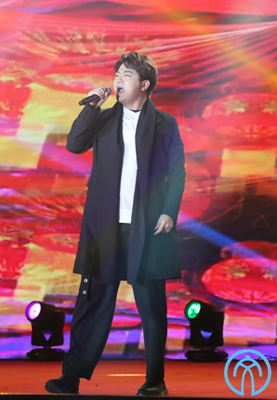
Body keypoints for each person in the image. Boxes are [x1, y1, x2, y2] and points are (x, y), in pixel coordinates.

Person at [45, 50, 185, 396]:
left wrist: (169, 211)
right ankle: (70, 378)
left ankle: (155, 381)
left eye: (126, 76)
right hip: (105, 227)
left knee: (152, 307)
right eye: (117, 75)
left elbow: (177, 171)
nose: (118, 81)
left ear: (144, 85)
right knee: (91, 302)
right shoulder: (104, 118)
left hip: (147, 226)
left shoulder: (164, 123)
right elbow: (74, 145)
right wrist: (91, 107)